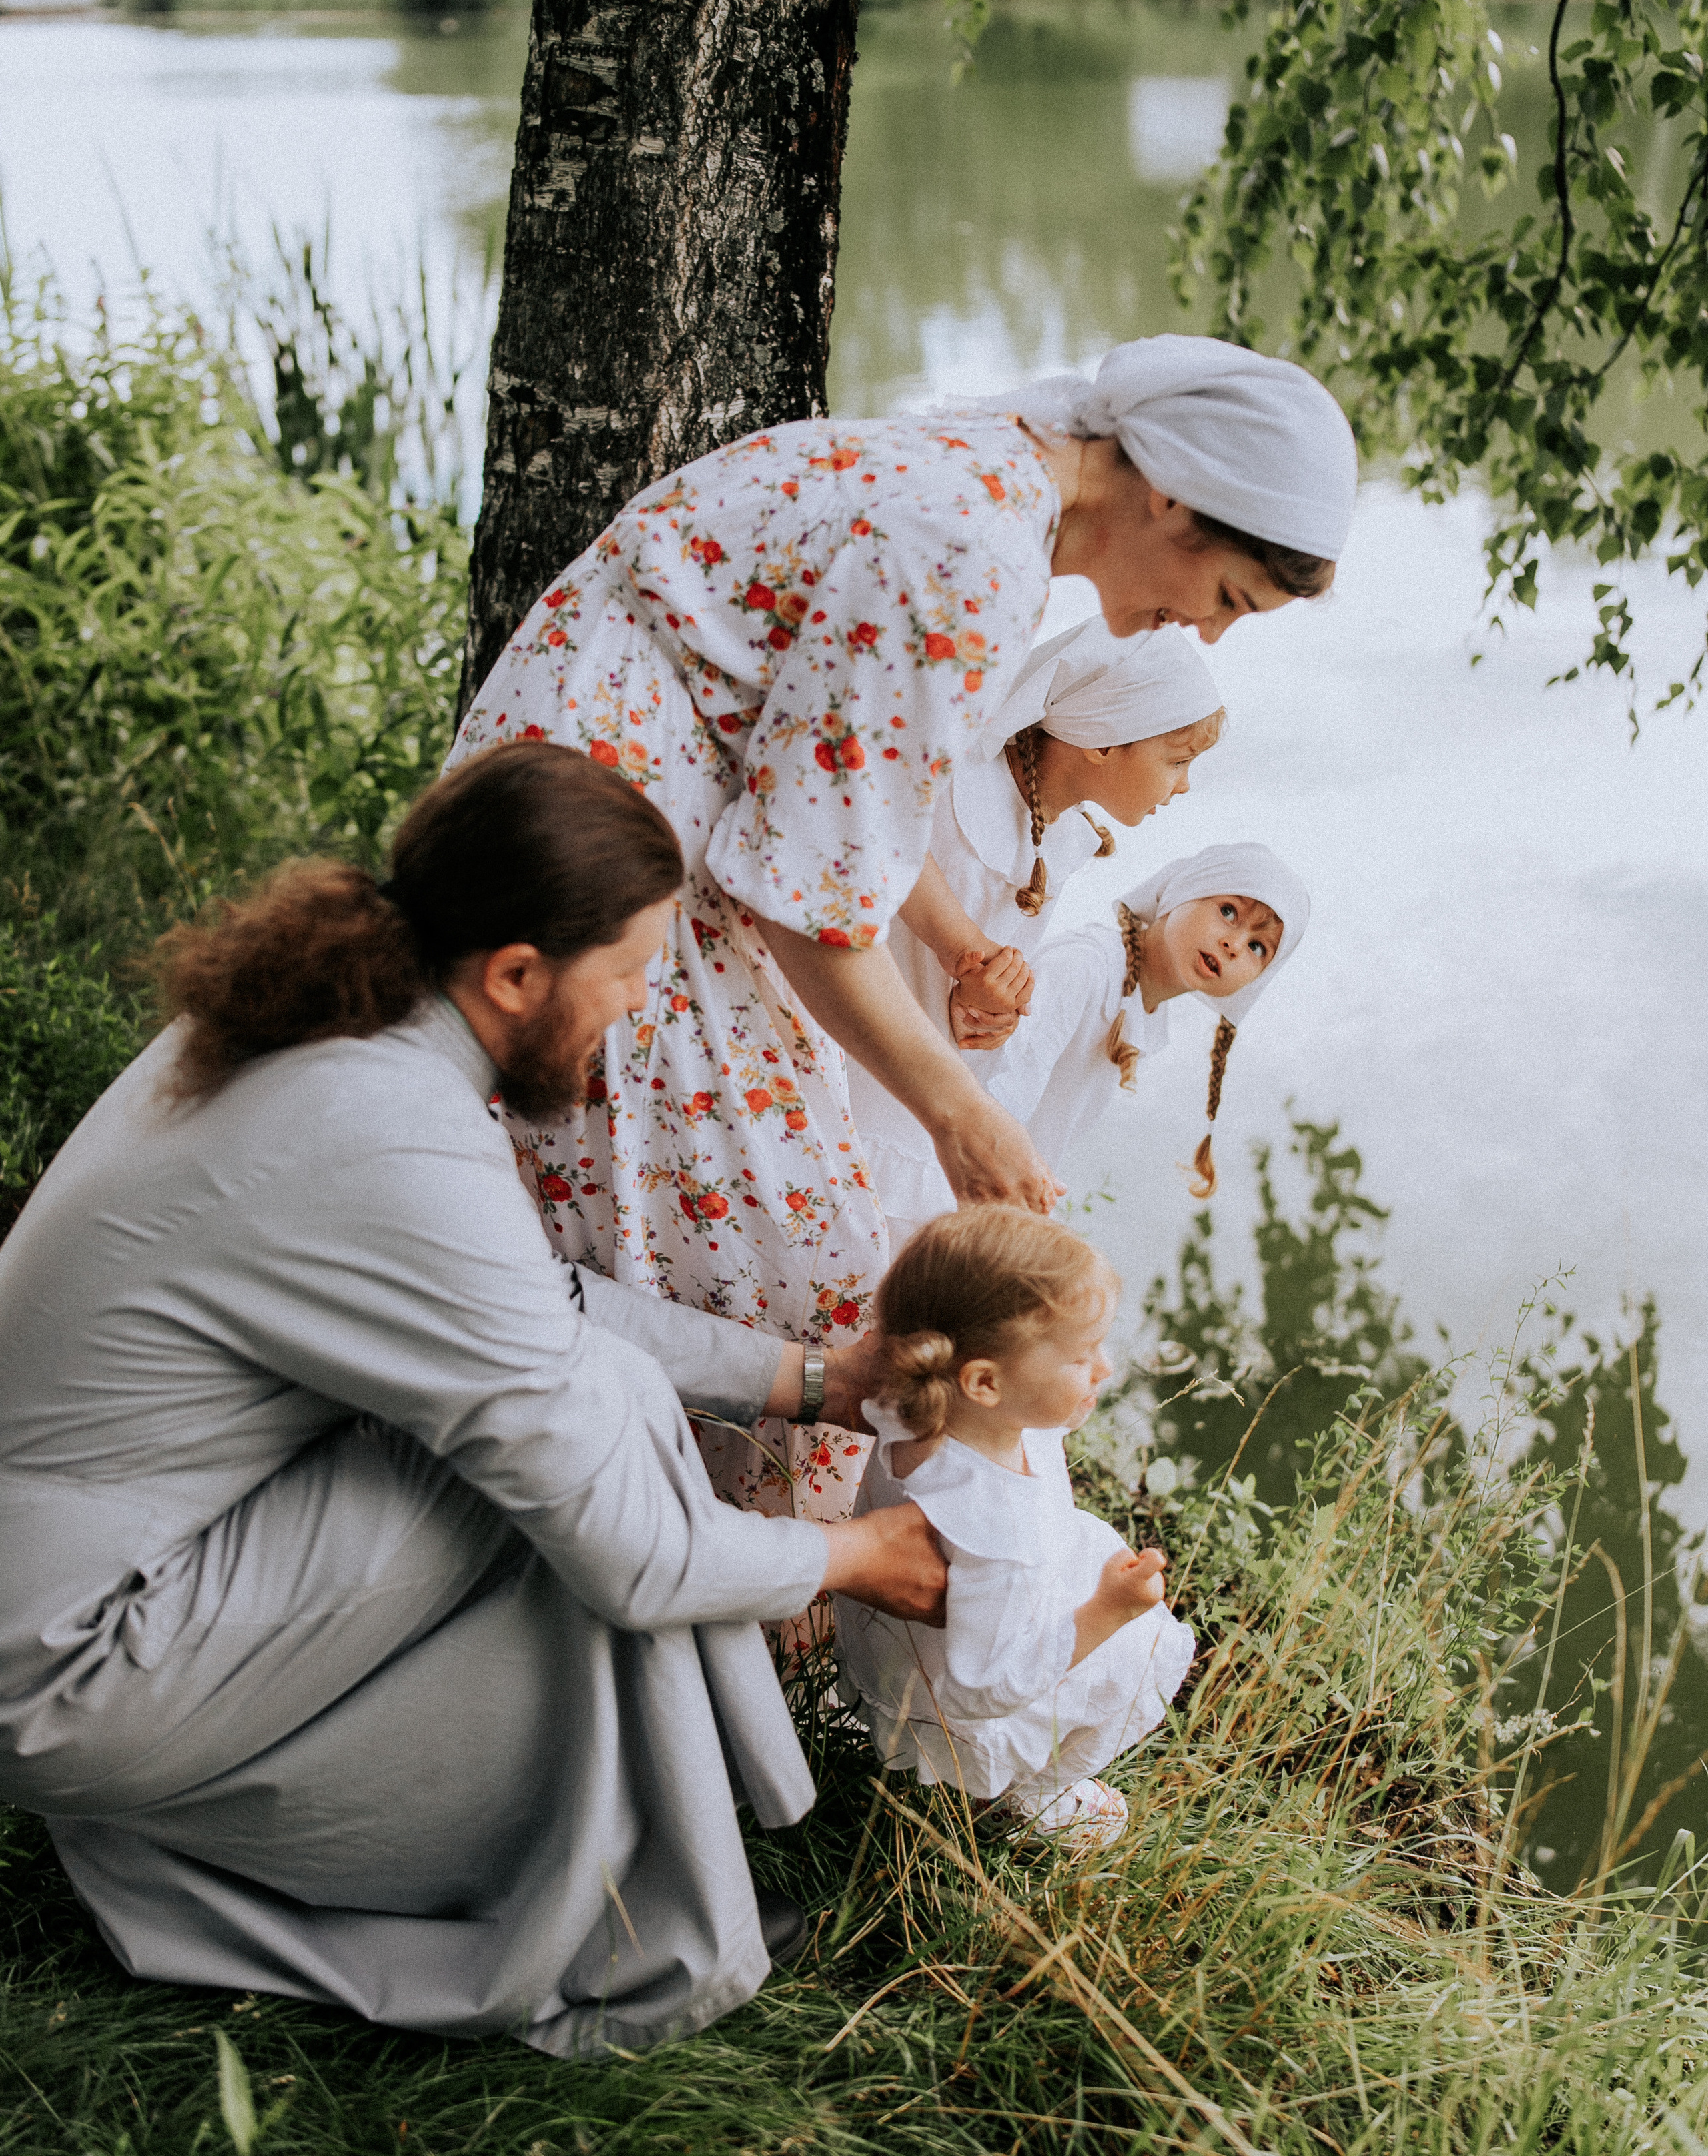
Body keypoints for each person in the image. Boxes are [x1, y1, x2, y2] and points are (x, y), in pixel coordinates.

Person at [0, 744, 949, 2060]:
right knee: (589, 1453)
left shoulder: (337, 1038)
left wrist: (807, 1384)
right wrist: (856, 1555)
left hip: (67, 1582)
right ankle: (627, 1914)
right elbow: (631, 1549)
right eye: (624, 979)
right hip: (72, 1662)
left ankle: (648, 1861)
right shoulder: (391, 1133)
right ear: (515, 974)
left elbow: (529, 1301)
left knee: (568, 1411)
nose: (633, 1016)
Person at [450, 335, 1356, 1520]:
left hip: (600, 800)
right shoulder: (970, 552)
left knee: (763, 1236)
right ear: (1169, 495)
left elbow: (845, 806)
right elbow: (806, 904)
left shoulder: (989, 478)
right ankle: (659, 1546)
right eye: (1228, 597)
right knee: (808, 1277)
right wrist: (961, 1114)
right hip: (605, 847)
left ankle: (651, 1525)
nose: (1208, 633)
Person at [845, 620, 1225, 1249]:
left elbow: (970, 977)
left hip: (918, 1069)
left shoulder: (1057, 834)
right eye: (1178, 761)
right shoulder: (958, 787)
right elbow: (880, 847)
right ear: (1103, 742)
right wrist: (970, 960)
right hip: (854, 1061)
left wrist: (987, 1009)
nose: (1183, 784)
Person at [835, 1207, 1194, 1852]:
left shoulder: (917, 1408)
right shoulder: (993, 1534)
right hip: (957, 1697)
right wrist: (1108, 1612)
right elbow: (987, 1687)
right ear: (985, 1382)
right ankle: (1026, 1794)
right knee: (1144, 1652)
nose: (1106, 1369)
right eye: (1083, 1356)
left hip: (895, 1654)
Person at [966, 845, 1312, 1197]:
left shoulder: (1145, 1016)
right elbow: (992, 1097)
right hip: (965, 1177)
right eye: (1228, 911)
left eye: (1258, 947)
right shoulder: (1086, 967)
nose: (1234, 944)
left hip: (1002, 1196)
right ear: (1184, 891)